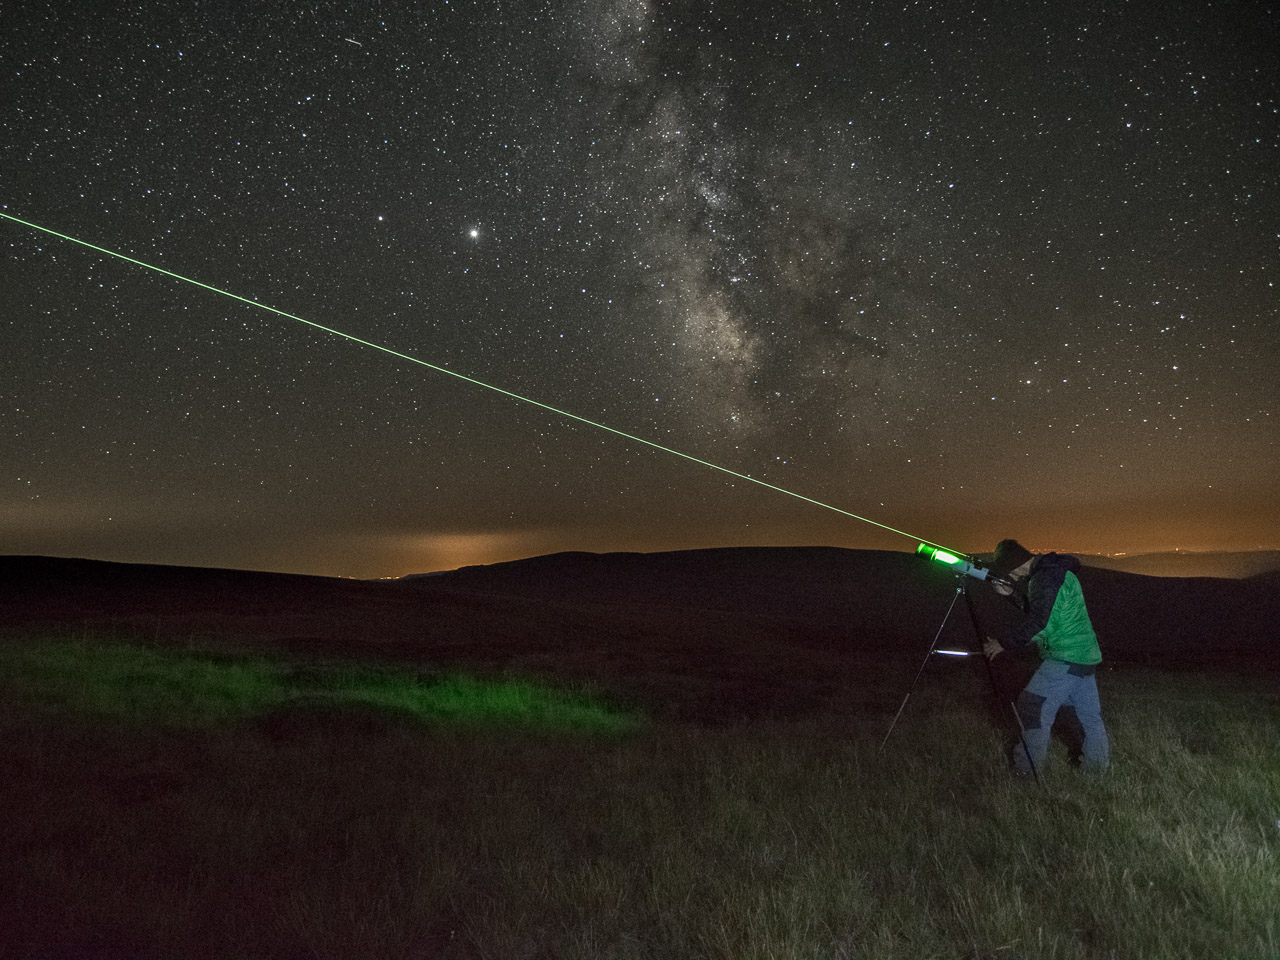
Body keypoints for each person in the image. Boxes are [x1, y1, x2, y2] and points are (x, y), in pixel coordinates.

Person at [982, 539, 1110, 775]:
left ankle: (1026, 774)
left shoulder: (1044, 579)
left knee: (1032, 706)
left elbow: (1040, 622)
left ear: (1013, 566)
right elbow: (1044, 610)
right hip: (1083, 654)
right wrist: (1011, 595)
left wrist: (1003, 643)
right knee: (1088, 716)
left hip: (1066, 655)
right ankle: (1097, 769)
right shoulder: (1053, 572)